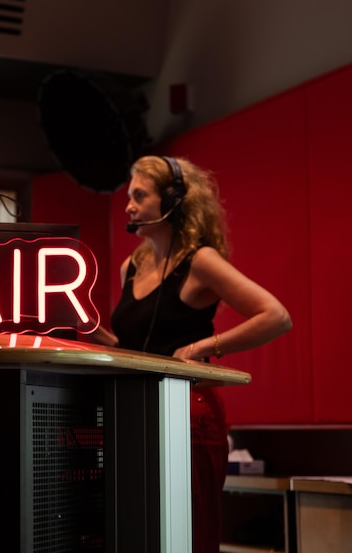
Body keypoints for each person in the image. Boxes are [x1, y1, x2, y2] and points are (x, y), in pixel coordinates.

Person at [93, 155, 292, 552]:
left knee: (189, 532)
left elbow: (276, 316)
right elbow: (138, 351)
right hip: (138, 412)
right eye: (129, 196)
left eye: (139, 195)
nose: (129, 206)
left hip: (190, 415)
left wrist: (205, 346)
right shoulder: (130, 266)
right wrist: (92, 333)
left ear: (174, 199)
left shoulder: (200, 261)